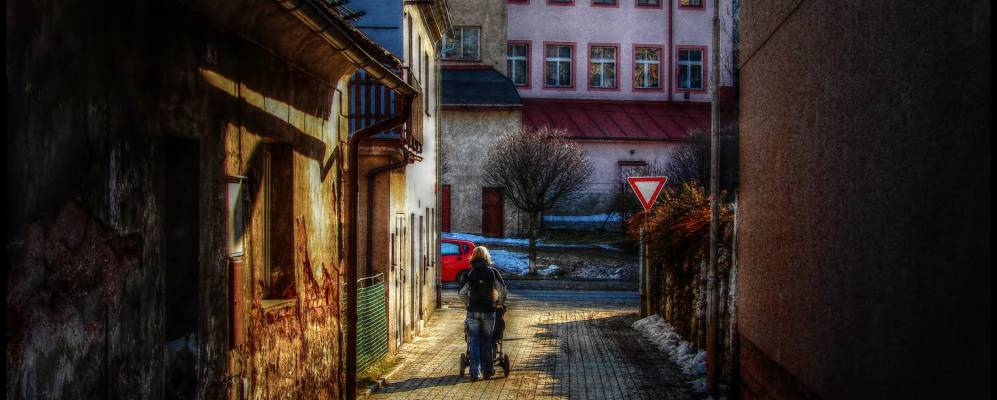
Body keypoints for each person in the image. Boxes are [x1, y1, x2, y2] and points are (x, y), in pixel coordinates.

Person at [458, 246, 507, 380]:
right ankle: (488, 371)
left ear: (473, 256)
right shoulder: (493, 272)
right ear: (487, 256)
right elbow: (503, 291)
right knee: (487, 341)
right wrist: (499, 303)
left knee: (474, 341)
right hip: (488, 311)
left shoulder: (469, 272)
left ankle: (474, 373)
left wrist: (467, 304)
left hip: (473, 311)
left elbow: (462, 293)